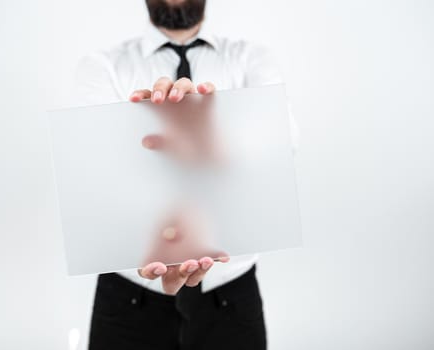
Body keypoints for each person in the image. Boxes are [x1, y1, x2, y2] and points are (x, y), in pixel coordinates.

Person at [75, 1, 299, 349]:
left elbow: (282, 147)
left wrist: (204, 126)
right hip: (129, 298)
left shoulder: (251, 58)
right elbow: (97, 165)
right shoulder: (102, 66)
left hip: (231, 296)